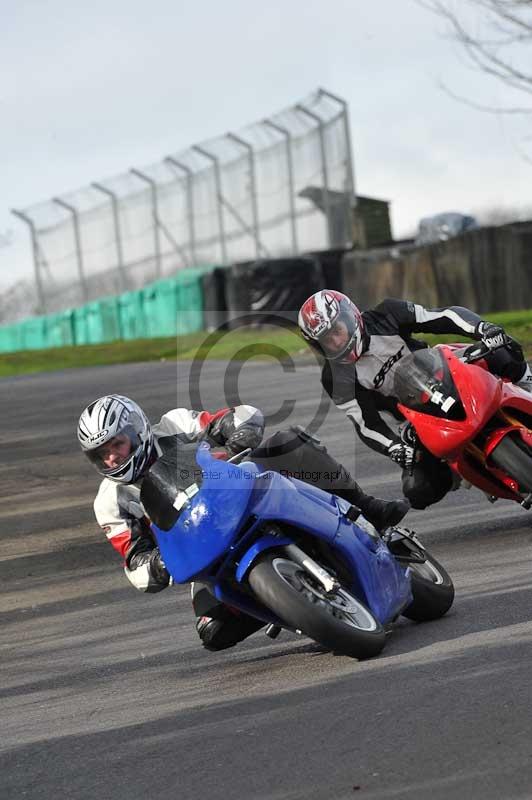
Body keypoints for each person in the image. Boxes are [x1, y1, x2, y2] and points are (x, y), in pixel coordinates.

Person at [77, 394, 409, 652]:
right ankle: (292, 605)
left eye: (116, 445)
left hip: (243, 495)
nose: (112, 458)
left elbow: (237, 416)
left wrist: (238, 435)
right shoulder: (110, 502)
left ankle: (366, 508)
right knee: (213, 631)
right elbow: (134, 561)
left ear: (136, 430)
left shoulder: (174, 426)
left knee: (287, 443)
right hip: (206, 547)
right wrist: (157, 564)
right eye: (100, 455)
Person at [298, 290, 532, 510]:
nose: (337, 342)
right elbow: (366, 424)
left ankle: (528, 385)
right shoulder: (335, 377)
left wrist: (483, 328)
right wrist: (393, 447)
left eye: (337, 331)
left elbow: (443, 316)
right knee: (418, 491)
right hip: (416, 418)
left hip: (448, 371)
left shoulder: (387, 313)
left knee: (503, 351)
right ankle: (458, 471)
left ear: (351, 317)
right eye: (328, 340)